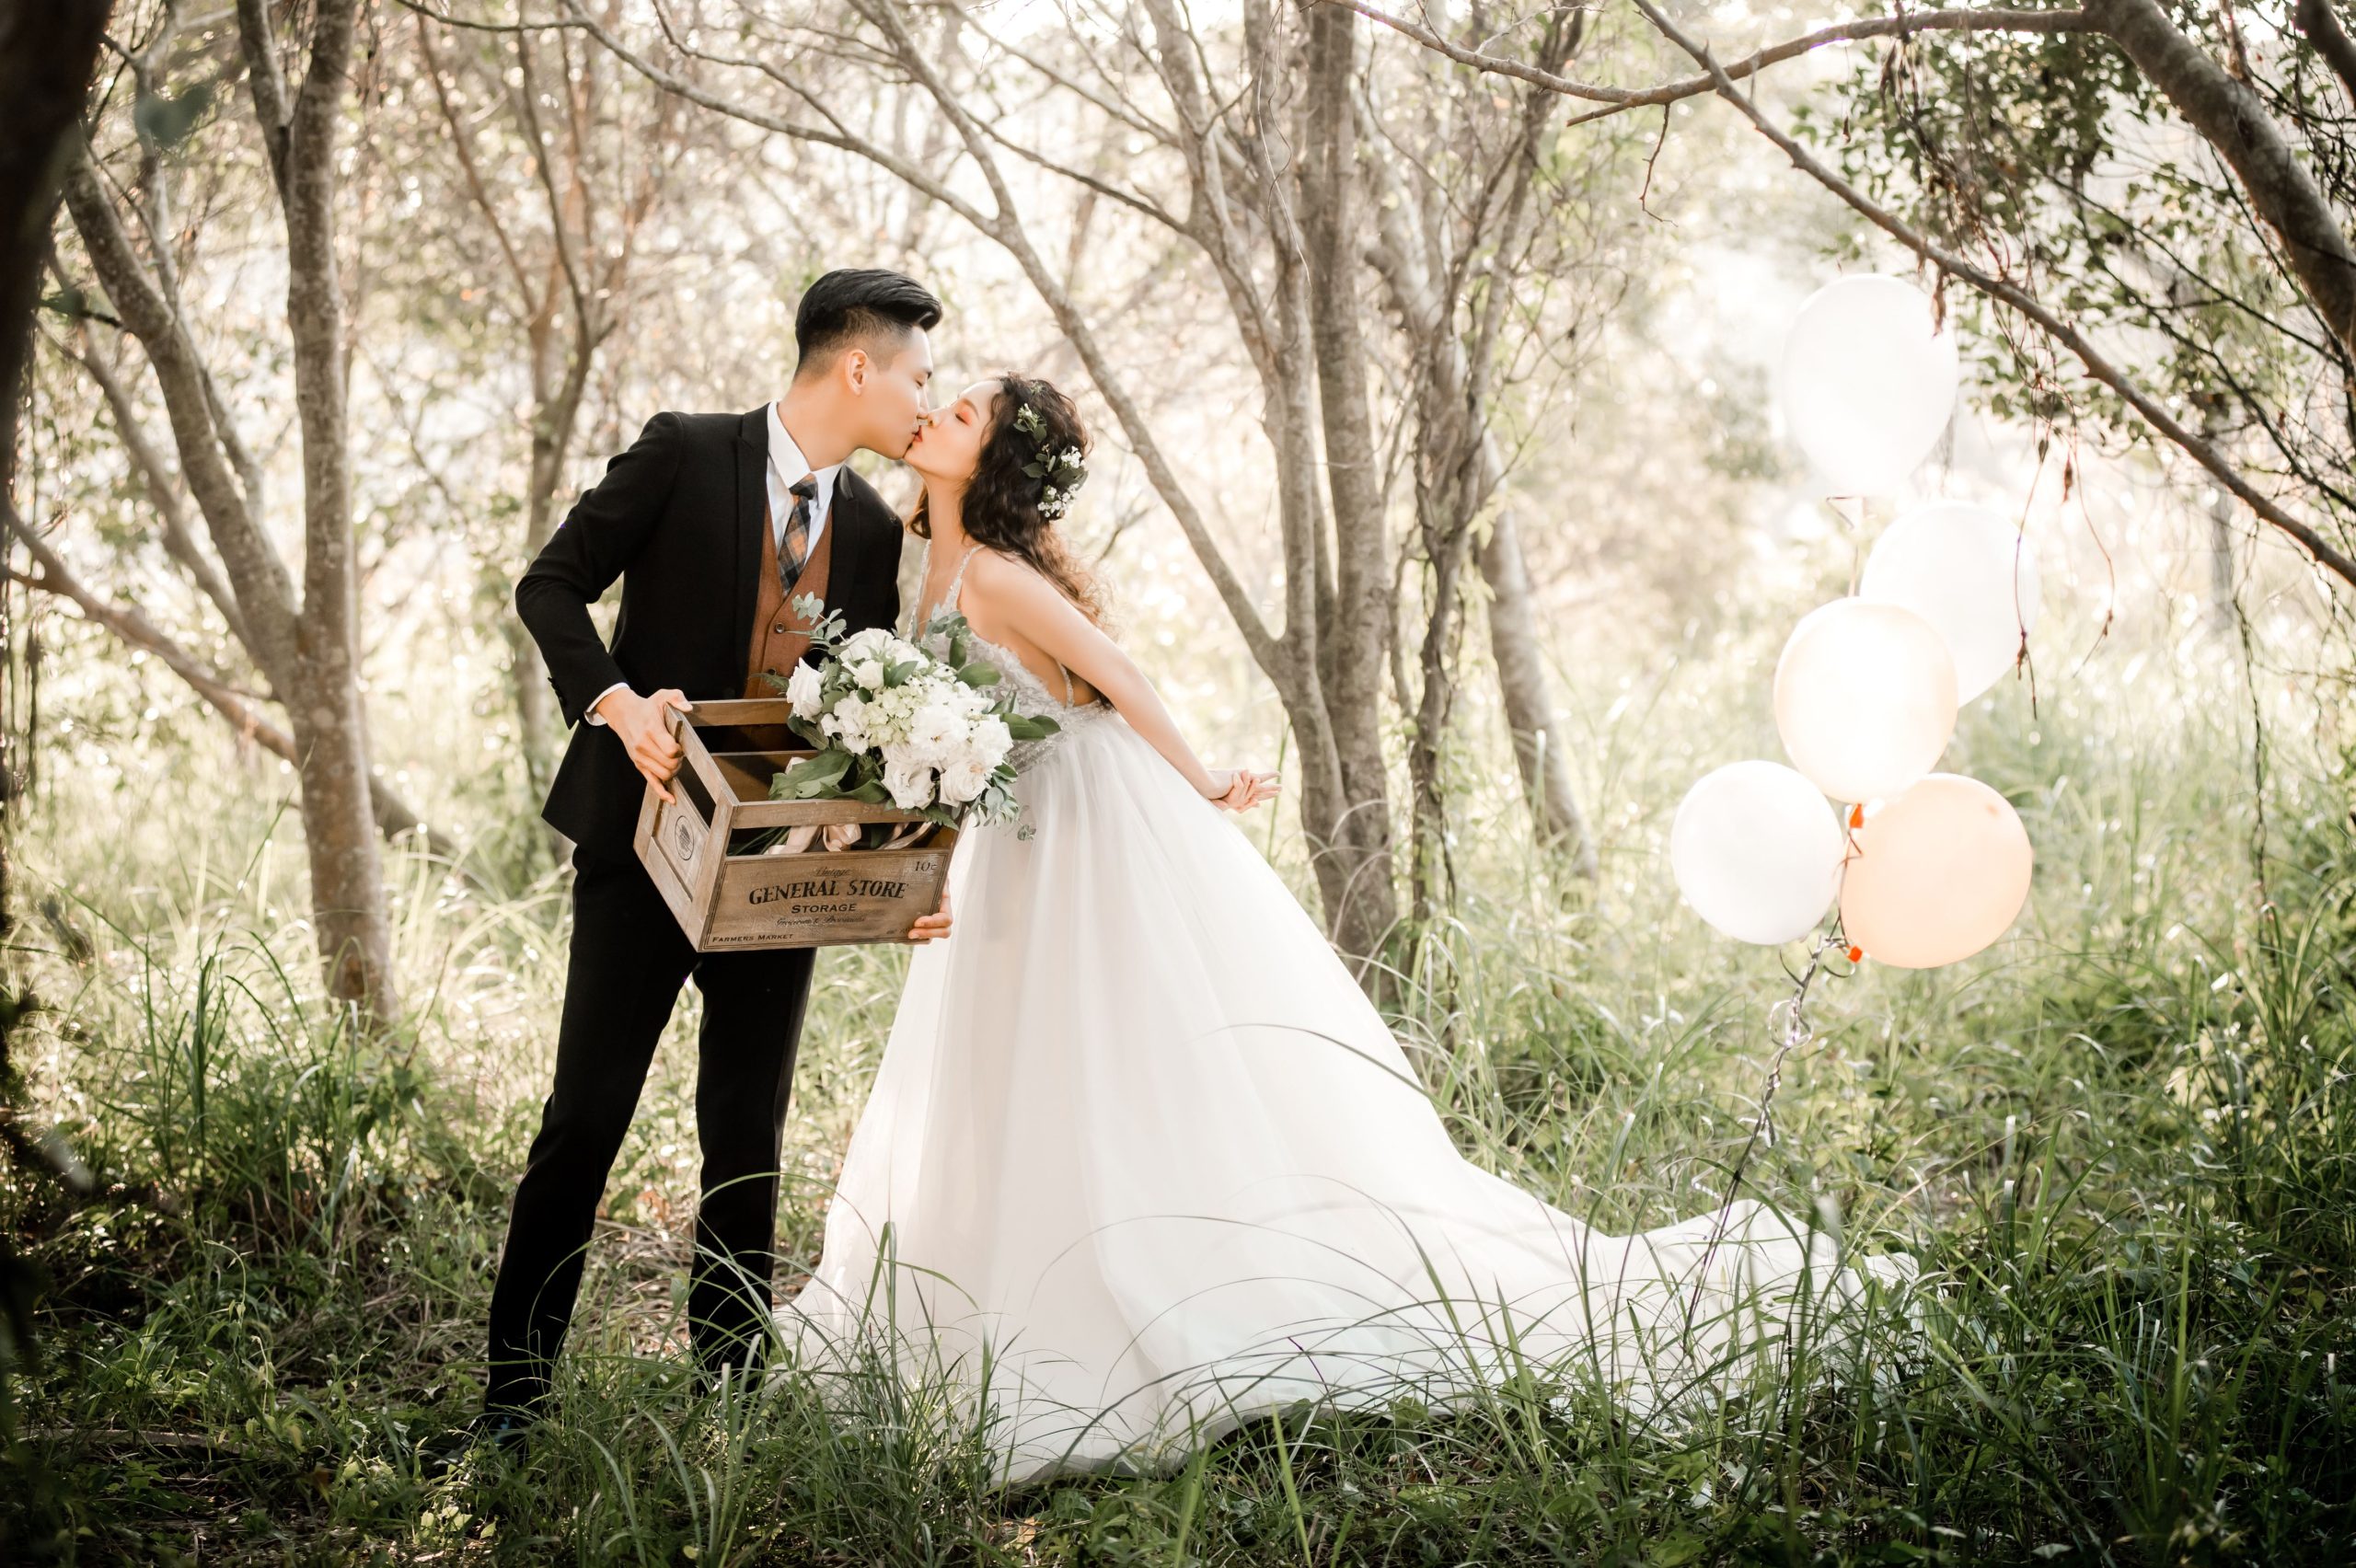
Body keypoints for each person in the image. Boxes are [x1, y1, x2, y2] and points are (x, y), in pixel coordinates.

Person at [781, 373, 1912, 1483]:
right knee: (1020, 1057)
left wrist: (1201, 777)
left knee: (1109, 1044)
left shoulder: (992, 574)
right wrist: (908, 852)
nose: (935, 415)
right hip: (1016, 836)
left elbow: (1113, 672)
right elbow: (954, 741)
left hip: (1085, 818)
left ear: (991, 462)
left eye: (962, 413)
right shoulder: (930, 560)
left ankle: (1138, 1263)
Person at [462, 269, 953, 1457]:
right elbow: (549, 585)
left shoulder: (871, 531)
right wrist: (618, 703)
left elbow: (865, 726)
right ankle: (511, 1403)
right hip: (641, 850)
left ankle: (728, 1391)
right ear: (858, 366)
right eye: (918, 375)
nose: (924, 400)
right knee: (584, 1121)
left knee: (748, 1135)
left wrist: (886, 867)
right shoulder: (685, 453)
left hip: (776, 874)